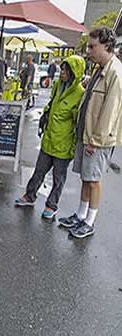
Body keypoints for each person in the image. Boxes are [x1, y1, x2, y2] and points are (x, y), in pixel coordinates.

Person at [59, 28, 122, 239]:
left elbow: (110, 112)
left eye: (92, 46)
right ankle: (81, 215)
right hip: (87, 135)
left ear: (107, 46)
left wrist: (95, 140)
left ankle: (89, 222)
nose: (89, 51)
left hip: (98, 139)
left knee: (94, 179)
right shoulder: (100, 69)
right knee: (86, 177)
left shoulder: (115, 72)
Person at [15, 55, 86, 219]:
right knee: (39, 171)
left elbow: (78, 121)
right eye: (62, 69)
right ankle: (29, 196)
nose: (62, 73)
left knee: (58, 178)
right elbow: (52, 105)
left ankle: (51, 205)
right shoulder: (57, 85)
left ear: (75, 73)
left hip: (64, 143)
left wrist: (75, 143)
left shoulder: (80, 94)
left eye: (66, 70)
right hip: (49, 139)